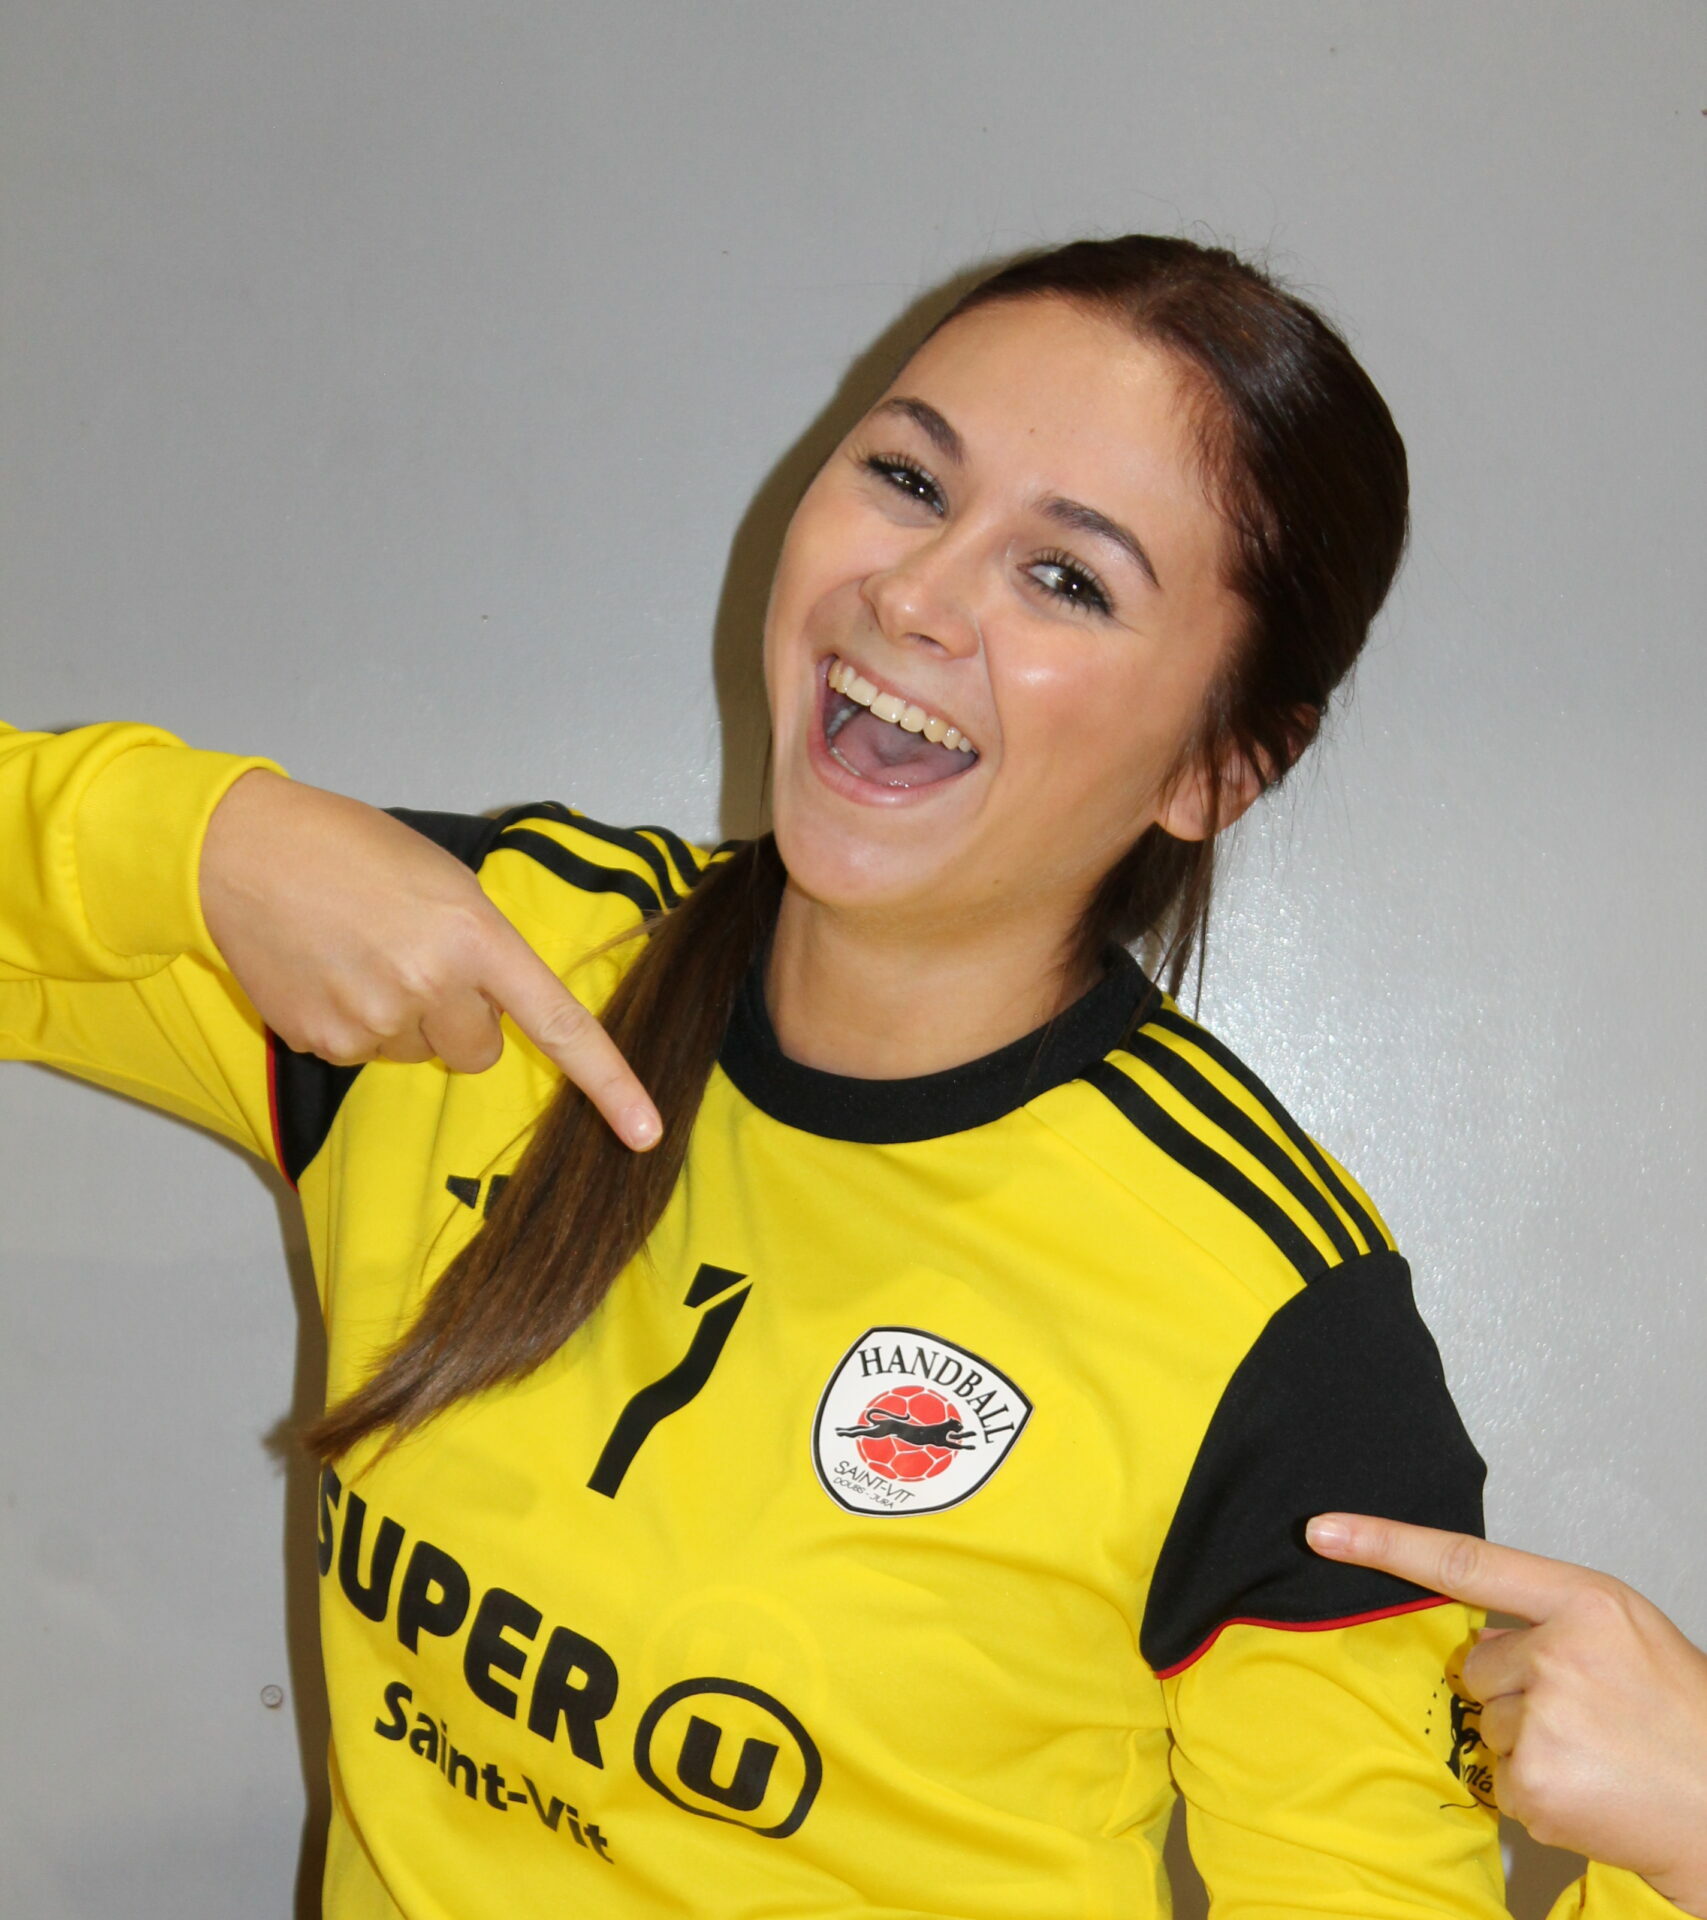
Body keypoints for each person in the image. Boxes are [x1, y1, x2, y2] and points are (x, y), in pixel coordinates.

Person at [0, 234, 1681, 1917]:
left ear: (1220, 768)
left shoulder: (1275, 1327)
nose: (918, 596)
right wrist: (194, 837)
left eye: (1066, 578)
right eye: (908, 480)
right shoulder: (488, 967)